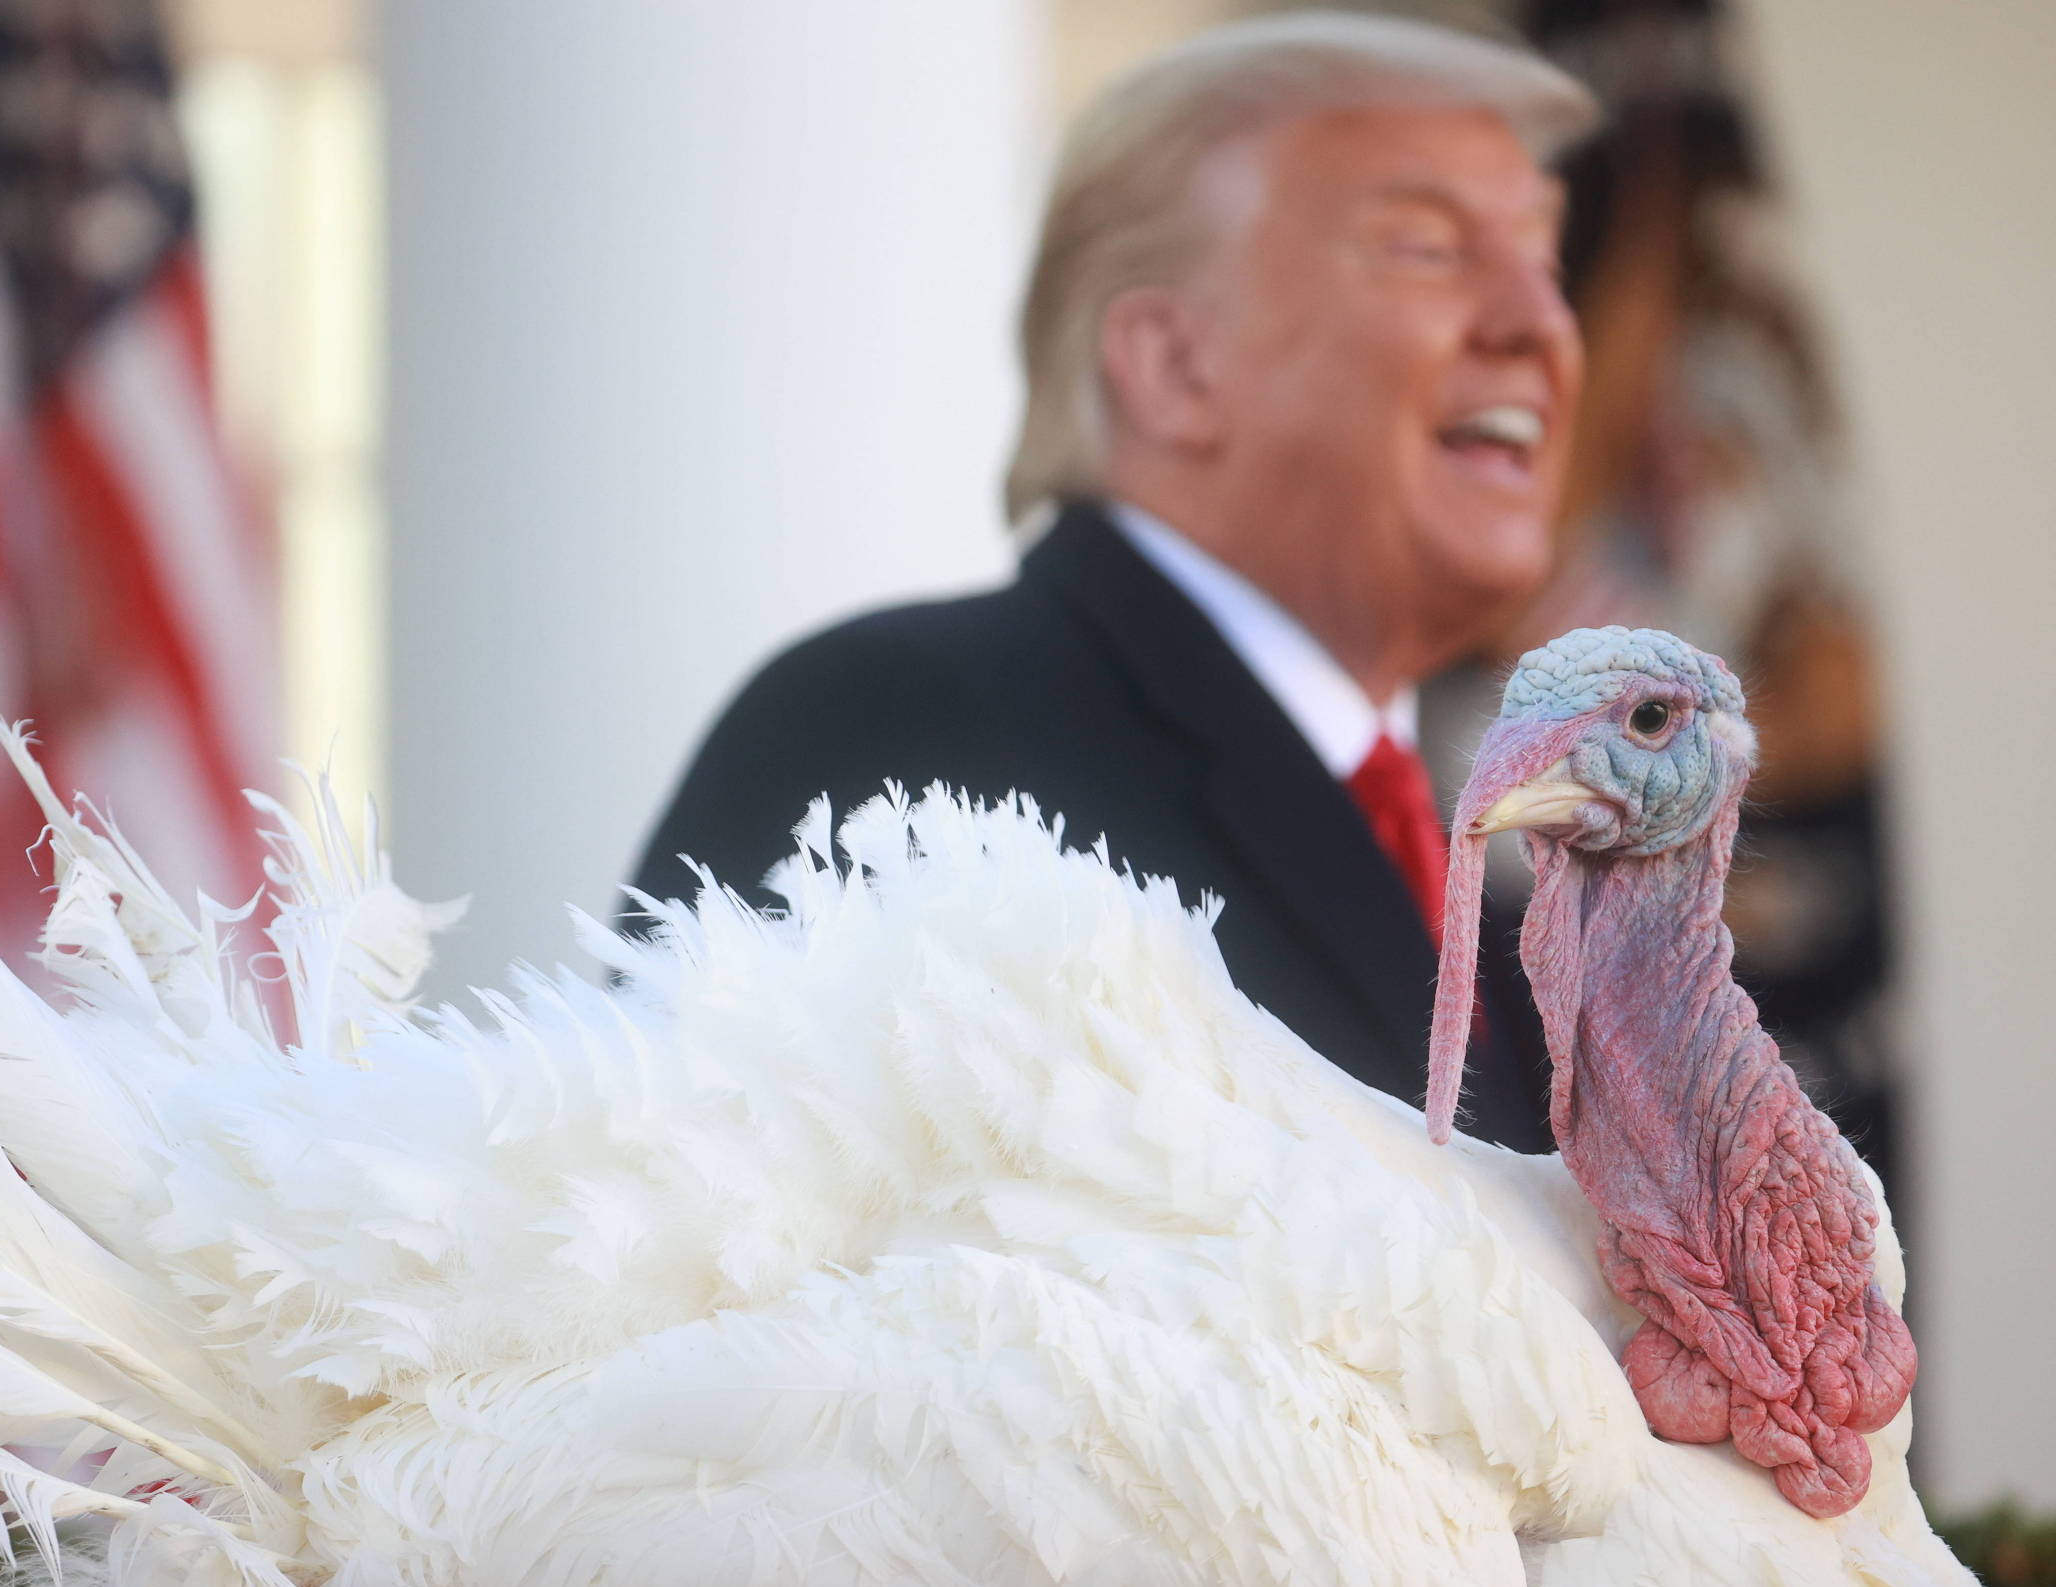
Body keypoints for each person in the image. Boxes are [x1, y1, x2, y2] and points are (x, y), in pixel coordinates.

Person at [623, 12, 1596, 1153]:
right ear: (1175, 366)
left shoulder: (1498, 900)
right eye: (1427, 247)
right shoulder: (899, 738)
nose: (1542, 324)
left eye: (1544, 257)